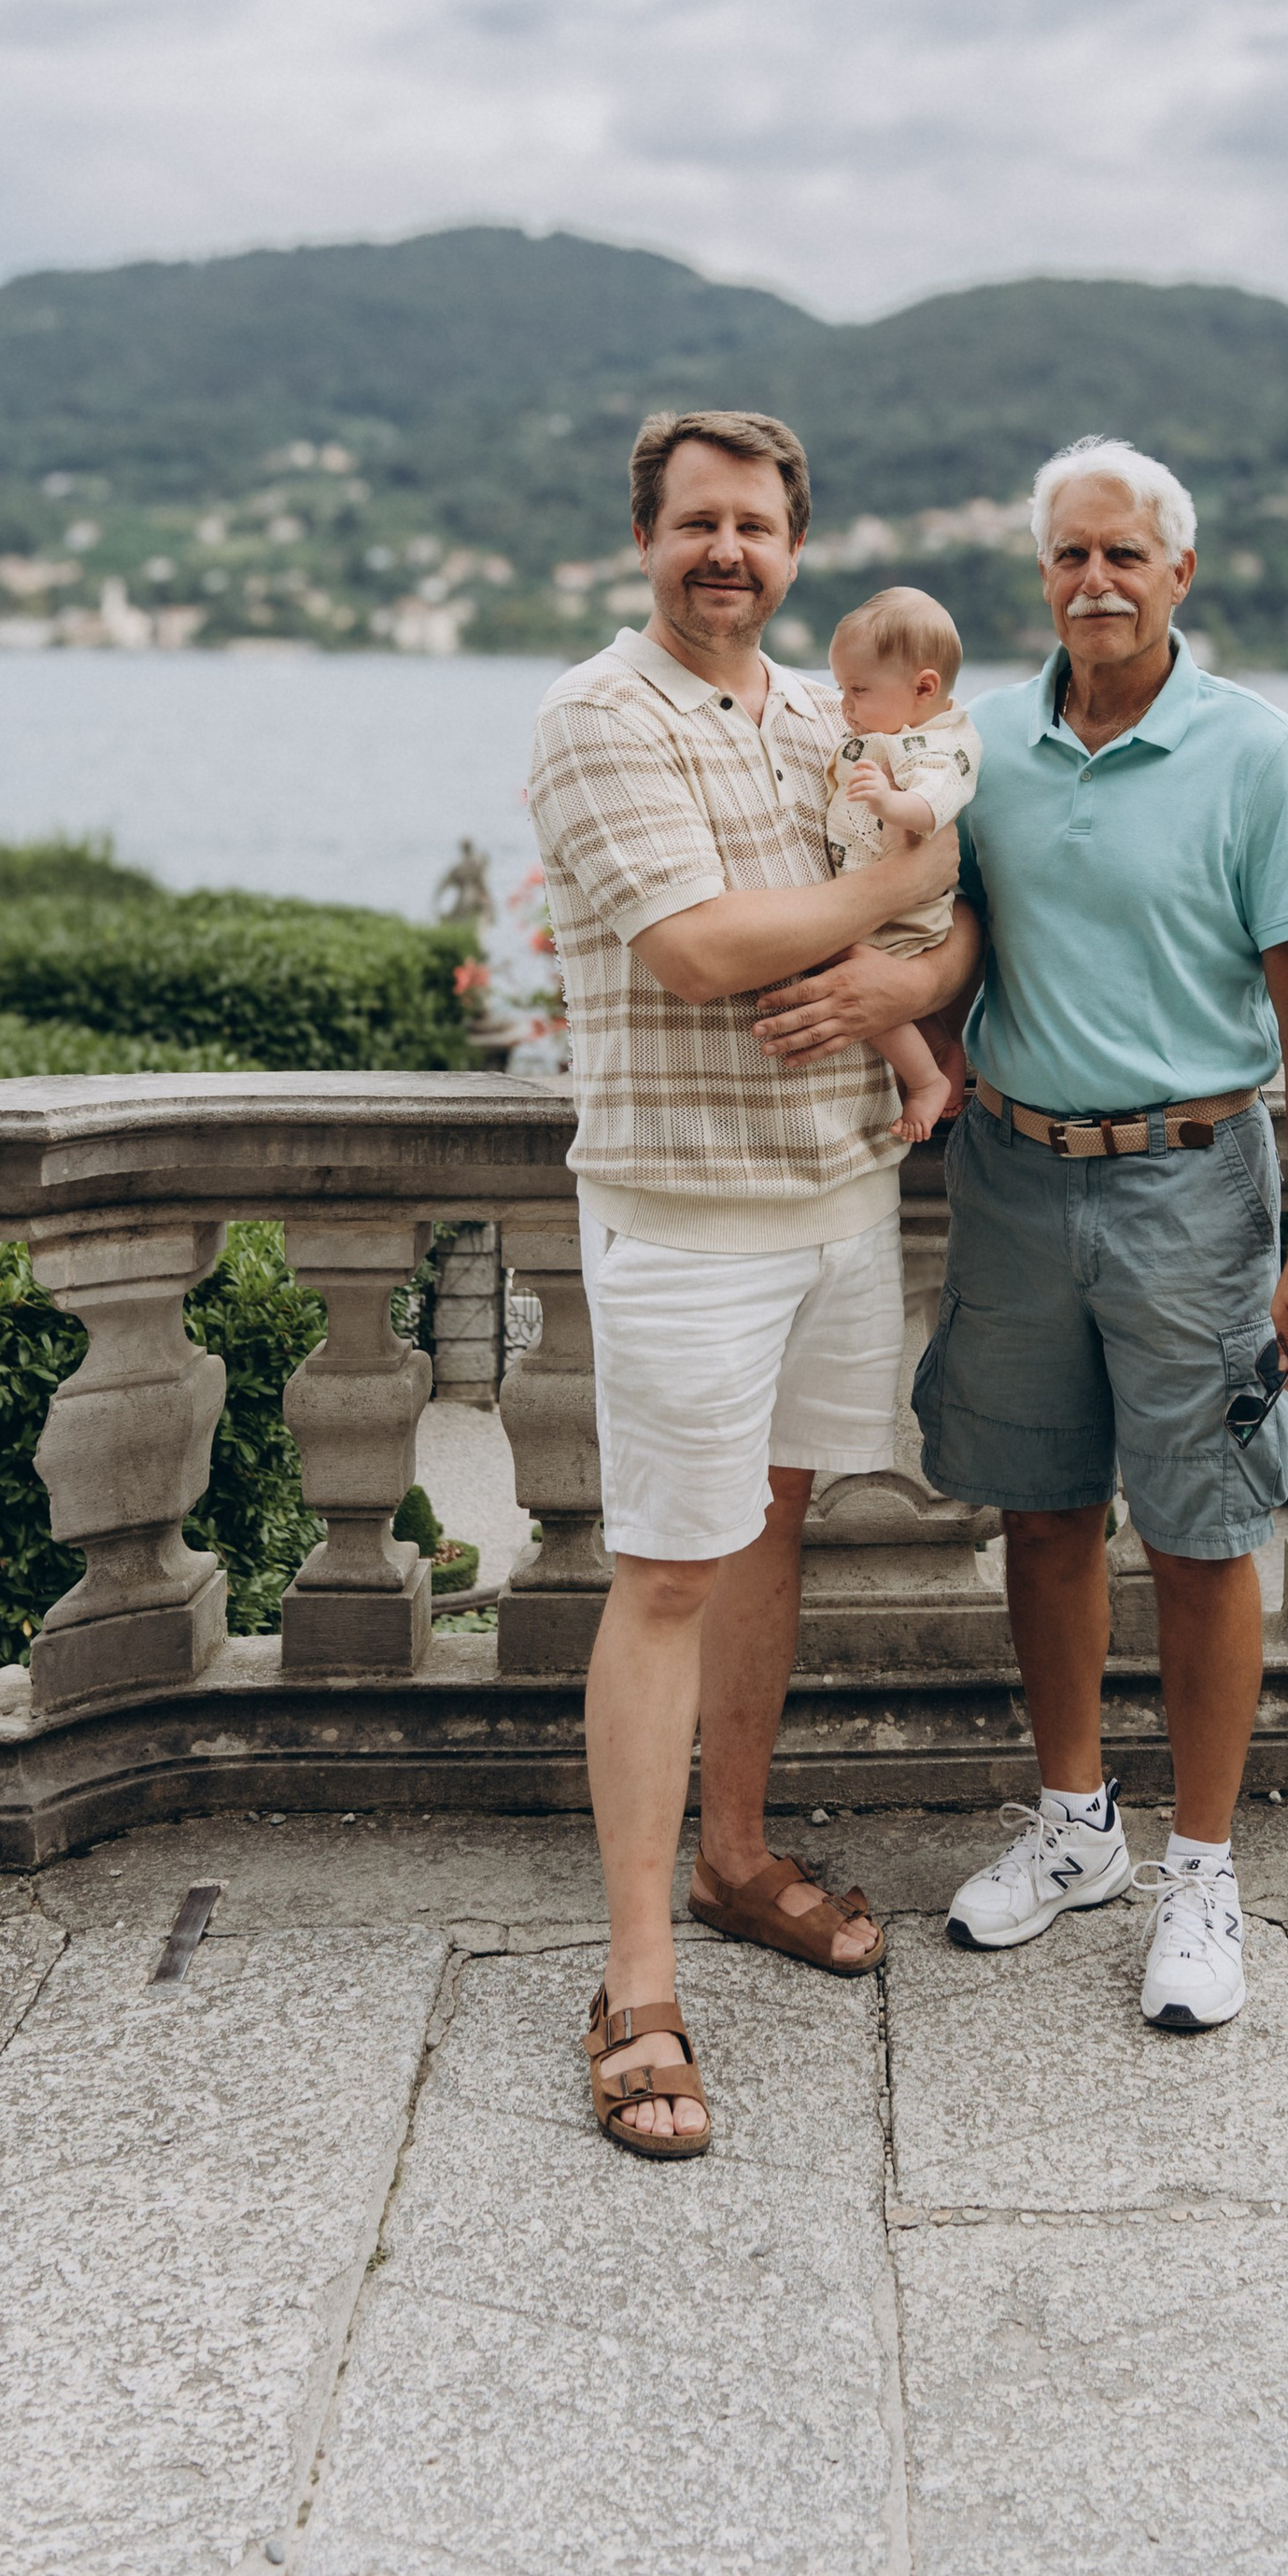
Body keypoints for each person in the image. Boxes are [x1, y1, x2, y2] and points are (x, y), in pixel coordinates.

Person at [526, 408, 970, 2158]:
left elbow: (957, 894)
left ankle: (732, 1862)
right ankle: (636, 1984)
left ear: (796, 550)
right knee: (663, 1571)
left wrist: (891, 984)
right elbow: (698, 949)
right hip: (683, 1216)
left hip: (835, 1201)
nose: (730, 550)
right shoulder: (592, 714)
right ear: (647, 536)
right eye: (698, 521)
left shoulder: (827, 713)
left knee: (774, 1521)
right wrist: (887, 902)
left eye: (759, 527)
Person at [910, 433, 1288, 2031]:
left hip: (1195, 1188)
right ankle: (1077, 1826)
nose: (1094, 582)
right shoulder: (981, 752)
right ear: (1043, 575)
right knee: (1040, 1511)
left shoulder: (1256, 754)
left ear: (1179, 574)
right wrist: (919, 1053)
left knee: (1204, 1531)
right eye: (1069, 557)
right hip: (1016, 1179)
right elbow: (941, 943)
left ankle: (1203, 1873)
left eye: (1124, 556)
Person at [822, 587, 984, 1142]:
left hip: (906, 915)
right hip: (893, 904)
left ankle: (922, 1083)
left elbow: (933, 805)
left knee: (861, 979)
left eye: (859, 689)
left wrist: (889, 802)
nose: (844, 704)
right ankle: (942, 1052)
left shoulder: (937, 748)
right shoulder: (891, 732)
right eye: (842, 688)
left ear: (923, 687)